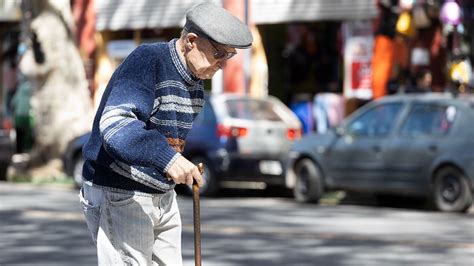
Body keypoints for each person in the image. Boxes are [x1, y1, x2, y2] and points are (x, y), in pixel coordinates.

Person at [79, 3, 252, 265]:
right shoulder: (148, 61)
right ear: (191, 41)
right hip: (120, 192)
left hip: (161, 194)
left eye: (229, 56)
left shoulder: (195, 86)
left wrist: (175, 164)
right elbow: (116, 125)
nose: (223, 65)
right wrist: (168, 159)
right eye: (219, 54)